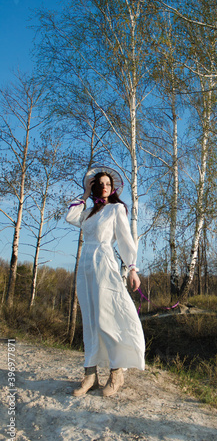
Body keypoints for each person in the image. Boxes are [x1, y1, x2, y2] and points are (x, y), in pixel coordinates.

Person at [65, 165, 145, 397]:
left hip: (104, 263)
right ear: (93, 187)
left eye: (107, 184)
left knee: (106, 317)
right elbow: (70, 217)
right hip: (86, 266)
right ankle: (90, 375)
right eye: (99, 184)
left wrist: (132, 268)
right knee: (89, 319)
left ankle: (116, 372)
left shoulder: (116, 209)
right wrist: (85, 195)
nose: (104, 187)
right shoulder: (88, 212)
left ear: (113, 188)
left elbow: (124, 239)